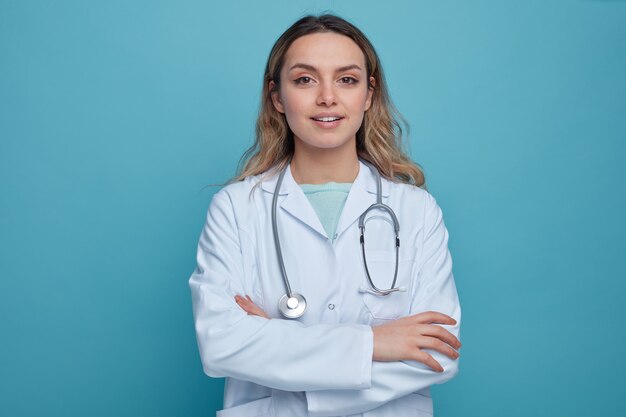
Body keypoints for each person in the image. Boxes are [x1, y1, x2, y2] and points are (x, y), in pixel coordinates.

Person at [188, 13, 462, 417]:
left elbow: (437, 353)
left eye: (347, 80)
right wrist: (375, 343)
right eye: (305, 80)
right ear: (277, 97)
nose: (327, 97)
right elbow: (221, 344)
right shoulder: (236, 208)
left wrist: (278, 350)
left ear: (368, 96)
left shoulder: (416, 211)